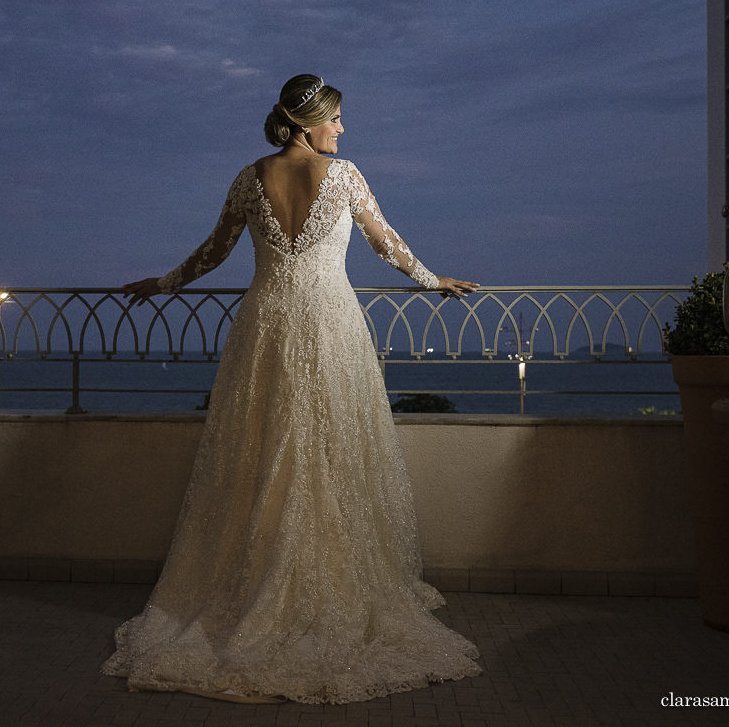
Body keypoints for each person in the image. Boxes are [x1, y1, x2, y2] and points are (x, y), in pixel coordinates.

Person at [103, 74, 483, 704]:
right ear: (308, 123)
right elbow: (386, 242)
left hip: (267, 321)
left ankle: (255, 582)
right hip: (329, 321)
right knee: (331, 443)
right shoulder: (345, 175)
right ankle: (326, 585)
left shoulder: (249, 177)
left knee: (261, 444)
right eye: (335, 119)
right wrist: (432, 280)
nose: (342, 129)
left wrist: (165, 283)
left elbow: (214, 251)